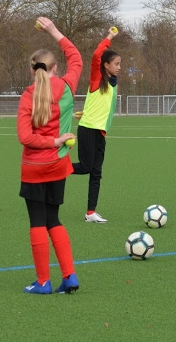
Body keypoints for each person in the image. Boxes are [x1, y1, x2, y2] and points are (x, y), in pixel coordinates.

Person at [17, 17, 83, 295]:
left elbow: (25, 137)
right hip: (57, 166)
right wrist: (53, 30)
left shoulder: (28, 96)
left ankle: (43, 281)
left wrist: (51, 140)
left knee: (37, 222)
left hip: (34, 168)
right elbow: (76, 57)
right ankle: (69, 275)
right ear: (56, 69)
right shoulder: (66, 87)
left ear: (32, 71)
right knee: (54, 219)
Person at [71, 26, 121, 223]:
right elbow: (96, 55)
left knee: (96, 172)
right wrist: (110, 36)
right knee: (85, 167)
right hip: (88, 129)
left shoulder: (113, 84)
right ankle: (56, 167)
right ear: (105, 65)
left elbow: (103, 106)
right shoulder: (97, 78)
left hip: (100, 132)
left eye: (120, 64)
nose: (119, 67)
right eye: (116, 63)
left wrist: (86, 110)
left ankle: (90, 212)